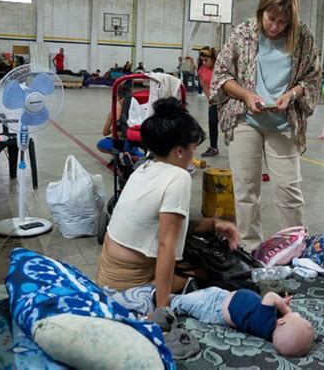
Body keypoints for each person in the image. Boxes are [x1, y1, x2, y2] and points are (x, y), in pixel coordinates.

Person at [210, 0, 322, 252]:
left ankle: (295, 247)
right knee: (246, 192)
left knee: (288, 191)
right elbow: (222, 74)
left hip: (283, 124)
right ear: (262, 10)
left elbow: (312, 77)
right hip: (245, 120)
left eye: (283, 22)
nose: (275, 27)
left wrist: (291, 95)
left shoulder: (303, 36)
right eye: (271, 18)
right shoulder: (244, 32)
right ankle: (250, 249)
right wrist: (247, 96)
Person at [97, 97, 240, 308]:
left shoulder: (144, 168)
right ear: (180, 151)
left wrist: (215, 224)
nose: (194, 155)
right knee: (207, 270)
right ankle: (158, 298)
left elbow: (166, 224)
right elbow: (166, 246)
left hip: (106, 279)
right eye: (193, 148)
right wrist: (162, 309)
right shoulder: (177, 177)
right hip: (129, 288)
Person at [171, 287, 314, 357]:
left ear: (282, 321)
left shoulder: (266, 322)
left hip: (213, 306)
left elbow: (270, 296)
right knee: (193, 298)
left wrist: (286, 310)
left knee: (181, 302)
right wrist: (283, 304)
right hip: (220, 301)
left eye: (297, 317)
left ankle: (155, 297)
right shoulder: (269, 328)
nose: (296, 314)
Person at [96, 84, 144, 163]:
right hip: (133, 144)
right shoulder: (137, 110)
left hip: (117, 143)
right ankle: (131, 156)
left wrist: (113, 129)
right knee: (142, 154)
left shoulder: (113, 112)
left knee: (100, 145)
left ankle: (119, 155)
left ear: (118, 98)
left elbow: (105, 133)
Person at [198, 46, 219, 157]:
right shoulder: (201, 69)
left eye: (206, 60)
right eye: (202, 60)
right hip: (213, 101)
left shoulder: (220, 69)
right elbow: (203, 84)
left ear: (214, 59)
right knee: (212, 122)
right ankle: (213, 147)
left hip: (225, 100)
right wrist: (209, 97)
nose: (204, 62)